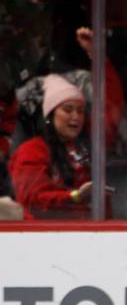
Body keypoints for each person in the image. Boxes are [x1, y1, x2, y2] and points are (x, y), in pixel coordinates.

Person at [9, 74, 101, 218]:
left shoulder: (80, 150)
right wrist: (74, 196)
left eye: (80, 110)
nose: (76, 117)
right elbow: (32, 200)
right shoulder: (31, 151)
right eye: (68, 110)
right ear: (50, 115)